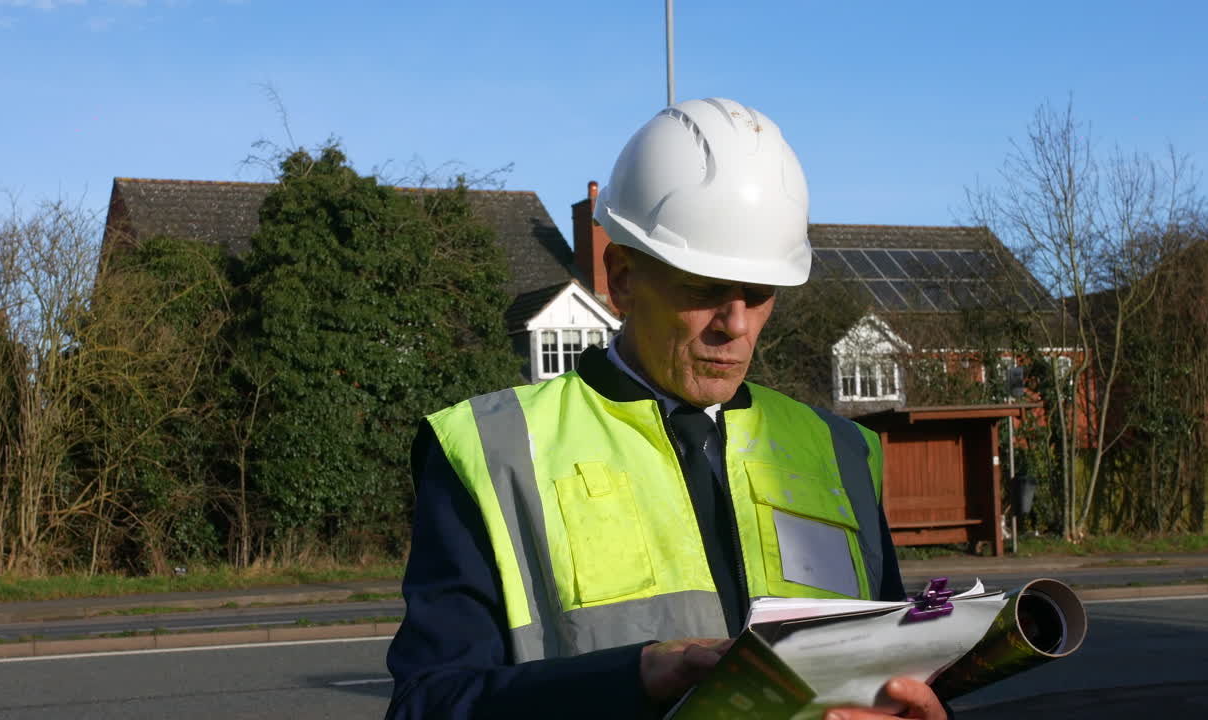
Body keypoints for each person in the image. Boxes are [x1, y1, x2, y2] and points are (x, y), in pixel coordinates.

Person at [385, 98, 949, 720]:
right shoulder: (490, 450)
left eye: (759, 294)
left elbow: (887, 674)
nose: (735, 325)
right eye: (704, 289)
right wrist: (635, 677)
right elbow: (429, 703)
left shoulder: (841, 451)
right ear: (622, 276)